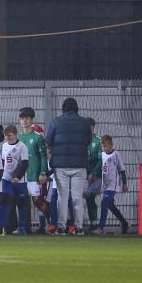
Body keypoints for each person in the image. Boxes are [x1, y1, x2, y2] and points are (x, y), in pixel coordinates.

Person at [45, 98, 91, 235]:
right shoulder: (84, 123)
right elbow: (88, 140)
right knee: (77, 197)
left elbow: (48, 141)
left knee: (62, 197)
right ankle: (78, 227)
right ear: (76, 108)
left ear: (63, 108)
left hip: (61, 166)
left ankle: (61, 227)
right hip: (79, 165)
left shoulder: (55, 122)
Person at [17, 108, 50, 232]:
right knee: (23, 202)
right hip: (21, 176)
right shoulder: (18, 138)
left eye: (27, 118)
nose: (24, 121)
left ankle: (52, 221)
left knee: (37, 201)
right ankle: (26, 228)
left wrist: (42, 173)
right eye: (22, 118)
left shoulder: (37, 137)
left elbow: (43, 156)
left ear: (31, 120)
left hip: (34, 175)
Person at [0, 125, 30, 236]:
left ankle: (22, 227)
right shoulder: (4, 146)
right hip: (6, 180)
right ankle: (5, 227)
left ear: (15, 134)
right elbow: (3, 162)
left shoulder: (22, 147)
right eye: (6, 136)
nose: (8, 138)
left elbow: (25, 163)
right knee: (6, 201)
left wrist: (18, 176)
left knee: (22, 203)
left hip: (19, 181)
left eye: (10, 136)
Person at [97, 135, 129, 235]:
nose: (104, 148)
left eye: (106, 146)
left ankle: (101, 228)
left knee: (104, 203)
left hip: (113, 185)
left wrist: (124, 183)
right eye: (103, 147)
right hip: (105, 185)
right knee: (110, 205)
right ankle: (124, 223)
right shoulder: (102, 154)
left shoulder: (116, 154)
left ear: (111, 144)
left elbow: (122, 170)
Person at [85, 118, 103, 232]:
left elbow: (101, 160)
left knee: (89, 195)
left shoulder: (98, 141)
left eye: (90, 128)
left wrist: (94, 173)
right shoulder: (81, 141)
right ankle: (73, 223)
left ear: (93, 128)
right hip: (83, 175)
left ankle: (94, 222)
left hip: (97, 176)